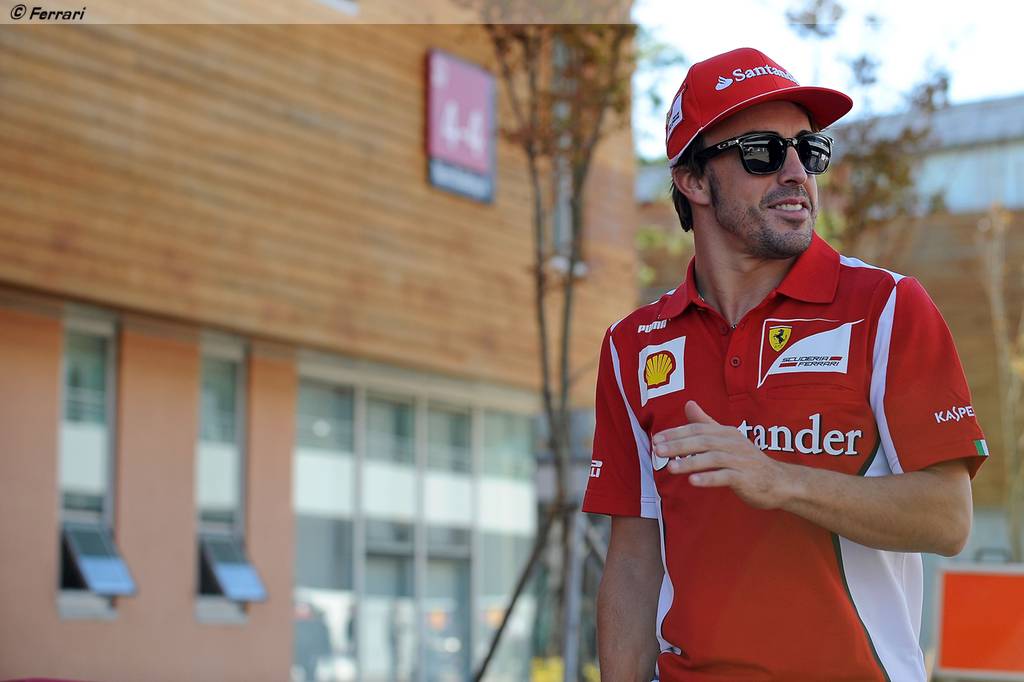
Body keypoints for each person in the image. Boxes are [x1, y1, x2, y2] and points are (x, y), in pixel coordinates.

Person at [582, 47, 988, 681]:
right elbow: (634, 561)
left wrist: (779, 480)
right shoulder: (632, 345)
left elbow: (948, 518)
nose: (796, 172)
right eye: (763, 153)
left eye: (809, 150)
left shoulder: (887, 307)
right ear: (693, 181)